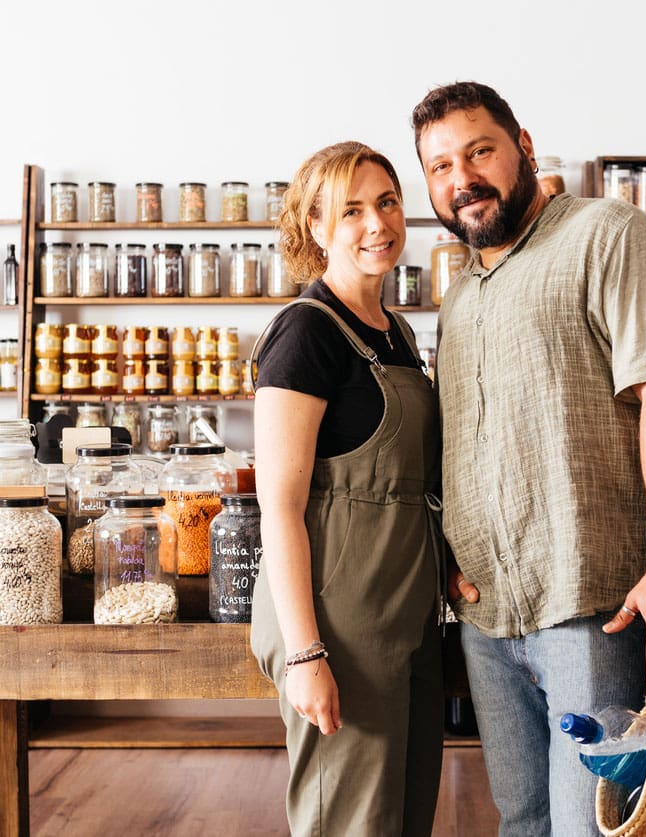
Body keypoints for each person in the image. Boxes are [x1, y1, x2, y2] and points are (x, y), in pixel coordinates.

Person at [411, 82, 646, 835]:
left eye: (479, 150)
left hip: (597, 612)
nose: (463, 178)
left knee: (596, 827)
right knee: (524, 822)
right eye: (440, 165)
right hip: (488, 621)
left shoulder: (610, 235)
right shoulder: (461, 294)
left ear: (522, 142)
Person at [249, 141, 443, 836]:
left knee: (404, 816)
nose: (377, 223)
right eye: (351, 210)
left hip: (404, 616)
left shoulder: (396, 333)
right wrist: (305, 654)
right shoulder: (306, 333)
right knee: (349, 823)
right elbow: (280, 505)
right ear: (316, 228)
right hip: (339, 623)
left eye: (388, 202)